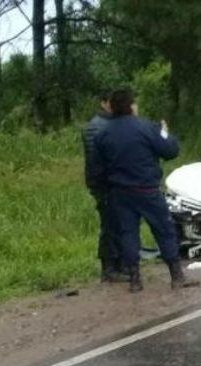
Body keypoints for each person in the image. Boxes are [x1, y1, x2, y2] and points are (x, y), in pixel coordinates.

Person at [94, 89, 197, 293]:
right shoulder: (146, 127)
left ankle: (134, 279)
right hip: (147, 189)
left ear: (112, 107)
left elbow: (98, 168)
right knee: (164, 229)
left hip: (120, 192)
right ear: (131, 105)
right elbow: (170, 150)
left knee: (128, 233)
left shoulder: (103, 133)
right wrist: (165, 132)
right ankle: (176, 275)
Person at [82, 90, 126, 283]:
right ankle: (109, 268)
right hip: (105, 184)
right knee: (110, 225)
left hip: (108, 182)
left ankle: (116, 265)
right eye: (111, 102)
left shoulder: (106, 124)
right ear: (104, 103)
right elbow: (97, 160)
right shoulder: (97, 127)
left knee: (116, 223)